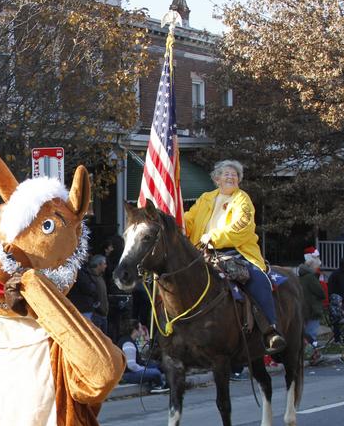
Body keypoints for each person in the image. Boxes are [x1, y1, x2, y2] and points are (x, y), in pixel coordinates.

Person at [183, 159, 287, 354]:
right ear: (216, 179)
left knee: (258, 278)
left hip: (235, 251)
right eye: (226, 174)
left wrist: (213, 237)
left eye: (234, 175)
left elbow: (242, 226)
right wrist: (179, 222)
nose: (231, 177)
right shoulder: (206, 198)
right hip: (202, 252)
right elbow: (190, 219)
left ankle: (270, 330)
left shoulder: (242, 199)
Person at [120, 321, 168, 392]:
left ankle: (160, 382)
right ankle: (159, 386)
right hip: (126, 375)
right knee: (155, 372)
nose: (142, 330)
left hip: (131, 371)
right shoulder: (128, 344)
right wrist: (144, 369)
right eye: (140, 328)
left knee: (156, 365)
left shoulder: (130, 340)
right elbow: (131, 366)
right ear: (135, 330)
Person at [298, 248, 326, 353]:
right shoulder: (311, 278)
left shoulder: (300, 277)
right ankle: (313, 353)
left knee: (305, 332)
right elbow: (321, 293)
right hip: (313, 308)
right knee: (311, 333)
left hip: (304, 308)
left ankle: (309, 352)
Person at [86, 255, 110, 334]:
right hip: (96, 314)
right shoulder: (90, 277)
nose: (106, 266)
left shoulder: (100, 277)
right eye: (104, 264)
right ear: (99, 265)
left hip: (103, 314)